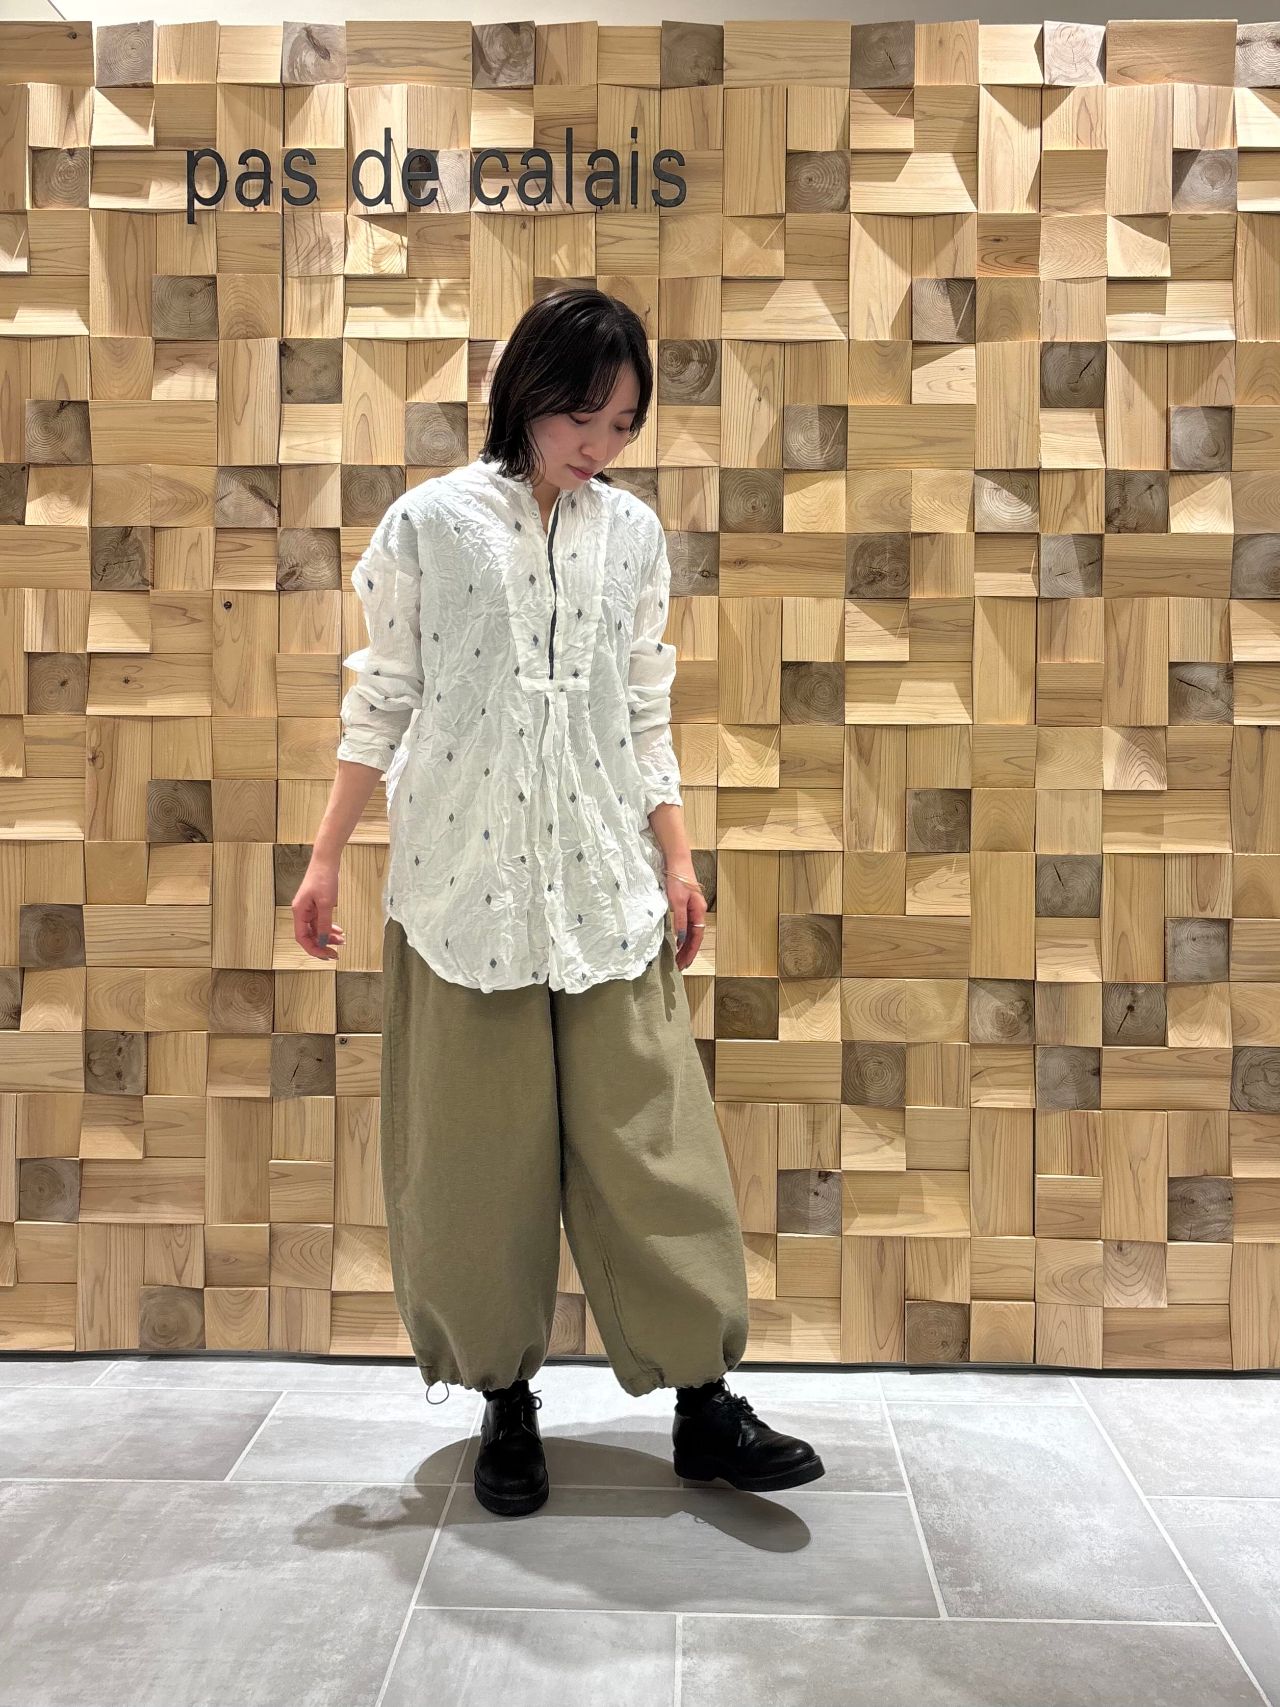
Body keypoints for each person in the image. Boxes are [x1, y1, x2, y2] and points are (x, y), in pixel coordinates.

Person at [292, 286, 825, 1517]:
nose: (599, 443)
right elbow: (382, 697)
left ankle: (703, 1403)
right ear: (526, 393)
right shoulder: (429, 523)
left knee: (655, 1151)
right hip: (459, 892)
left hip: (602, 883)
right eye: (582, 414)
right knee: (474, 1162)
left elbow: (641, 709)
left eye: (623, 423)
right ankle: (503, 1402)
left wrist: (676, 860)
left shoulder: (629, 533)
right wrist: (322, 859)